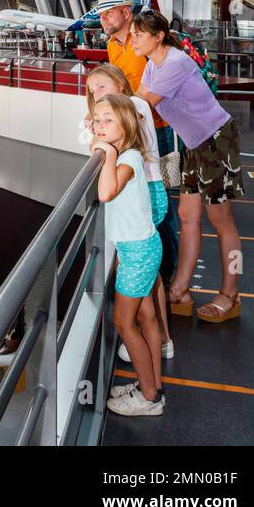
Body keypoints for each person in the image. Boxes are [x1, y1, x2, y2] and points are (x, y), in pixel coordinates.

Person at [131, 10, 245, 323]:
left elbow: (144, 104)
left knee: (222, 221)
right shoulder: (152, 64)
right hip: (194, 145)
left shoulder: (175, 62)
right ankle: (180, 290)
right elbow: (137, 99)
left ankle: (231, 294)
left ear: (158, 37)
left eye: (139, 34)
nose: (134, 39)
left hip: (216, 139)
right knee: (187, 216)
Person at [84, 64, 173, 359]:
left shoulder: (132, 106)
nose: (97, 94)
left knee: (150, 274)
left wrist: (101, 131)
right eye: (92, 89)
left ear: (121, 85)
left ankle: (158, 337)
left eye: (103, 87)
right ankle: (157, 336)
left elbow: (106, 177)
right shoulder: (124, 111)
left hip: (147, 189)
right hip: (144, 189)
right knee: (149, 272)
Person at [93, 0, 181, 279]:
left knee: (162, 201)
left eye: (109, 12)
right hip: (134, 133)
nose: (104, 18)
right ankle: (153, 270)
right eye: (102, 13)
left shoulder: (140, 42)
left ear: (126, 12)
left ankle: (167, 270)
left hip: (162, 132)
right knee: (141, 197)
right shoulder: (113, 47)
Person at [92, 93, 165, 416]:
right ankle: (151, 385)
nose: (99, 125)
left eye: (108, 120)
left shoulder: (129, 158)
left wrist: (106, 154)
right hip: (137, 248)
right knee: (142, 317)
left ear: (126, 124)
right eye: (96, 119)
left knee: (124, 323)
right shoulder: (126, 154)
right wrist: (107, 149)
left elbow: (106, 192)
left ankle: (149, 398)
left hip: (138, 252)